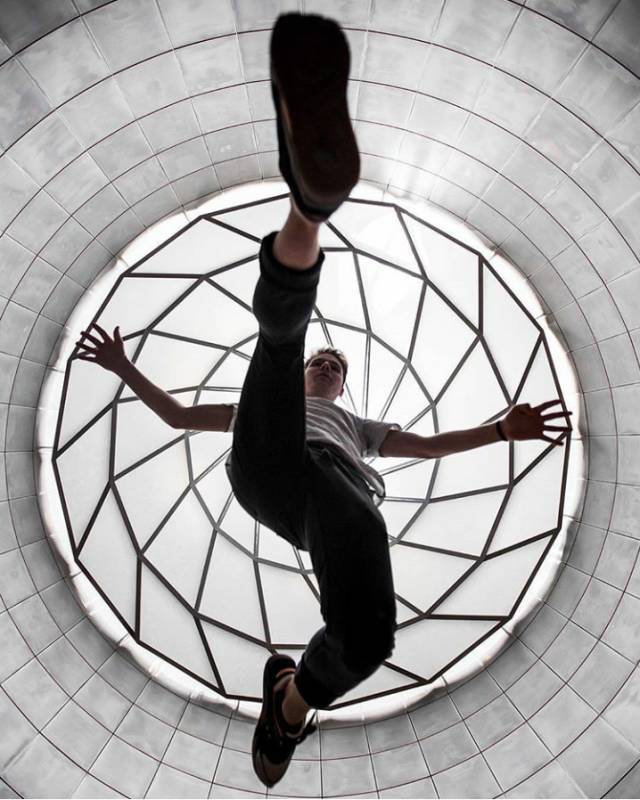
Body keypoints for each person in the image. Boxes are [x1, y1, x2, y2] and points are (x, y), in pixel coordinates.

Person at [76, 12, 573, 788]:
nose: (331, 366)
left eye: (338, 366)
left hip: (333, 495)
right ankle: (308, 207)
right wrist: (123, 365)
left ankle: (291, 704)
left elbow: (427, 446)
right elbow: (176, 415)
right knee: (277, 343)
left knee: (371, 638)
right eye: (326, 361)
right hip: (265, 458)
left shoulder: (358, 427)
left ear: (343, 386)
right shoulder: (272, 397)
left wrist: (499, 431)